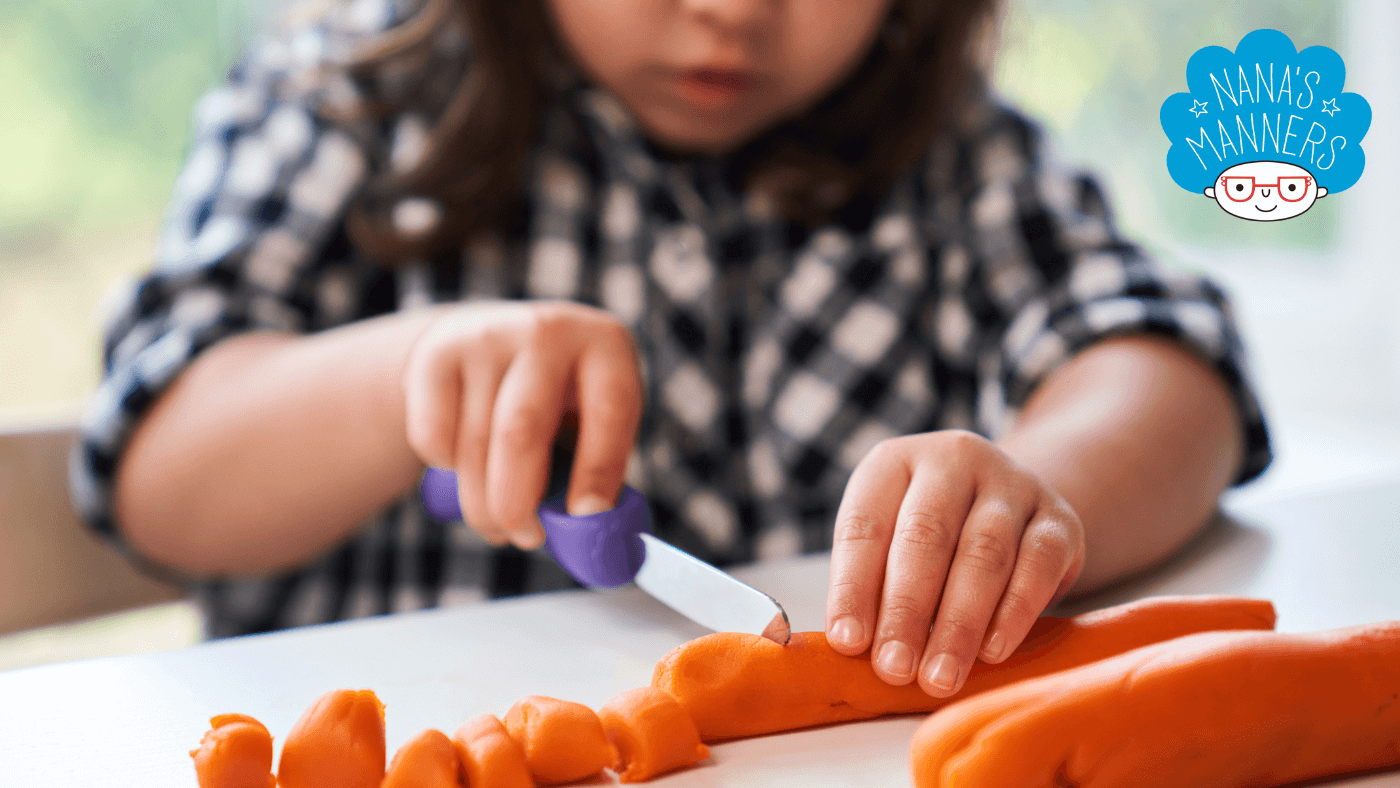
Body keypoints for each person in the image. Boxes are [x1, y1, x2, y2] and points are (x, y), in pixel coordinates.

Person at [72, 0, 1270, 700]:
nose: (733, 10)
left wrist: (1047, 489)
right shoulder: (342, 99)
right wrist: (405, 374)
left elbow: (1164, 360)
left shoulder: (952, 155)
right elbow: (156, 476)